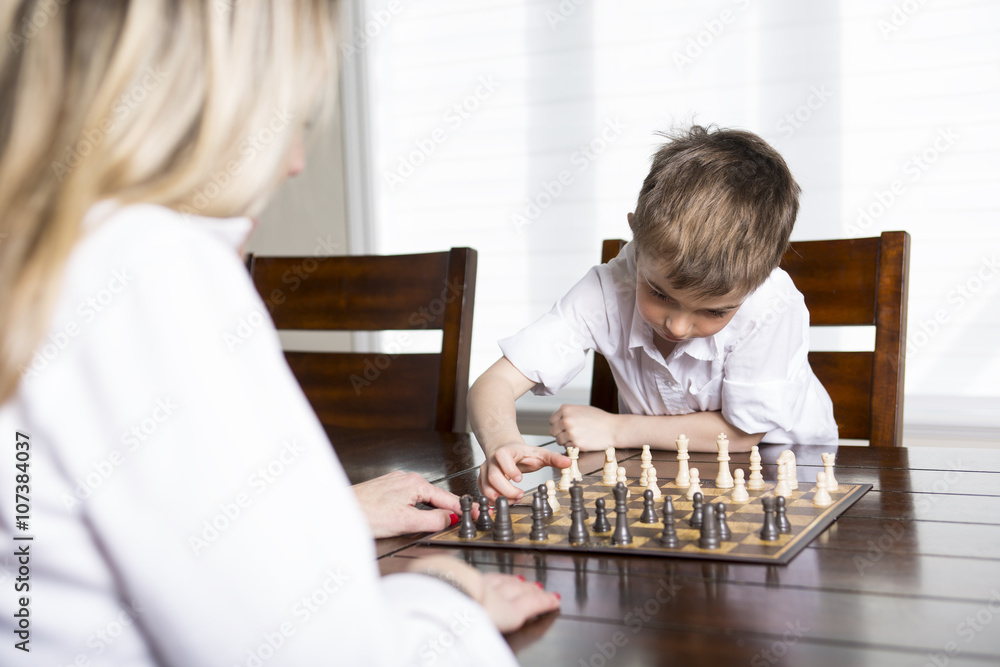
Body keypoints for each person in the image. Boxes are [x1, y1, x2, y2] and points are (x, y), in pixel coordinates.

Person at [0, 2, 556, 665]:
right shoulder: (144, 262)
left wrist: (326, 515)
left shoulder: (42, 250)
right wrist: (447, 593)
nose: (295, 161)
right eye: (284, 115)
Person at [471, 126, 838, 501]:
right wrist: (502, 441)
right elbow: (493, 384)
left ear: (762, 276)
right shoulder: (609, 287)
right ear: (637, 236)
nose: (677, 326)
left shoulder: (772, 302)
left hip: (795, 472)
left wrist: (616, 430)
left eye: (713, 311)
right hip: (663, 469)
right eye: (660, 293)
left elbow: (745, 435)